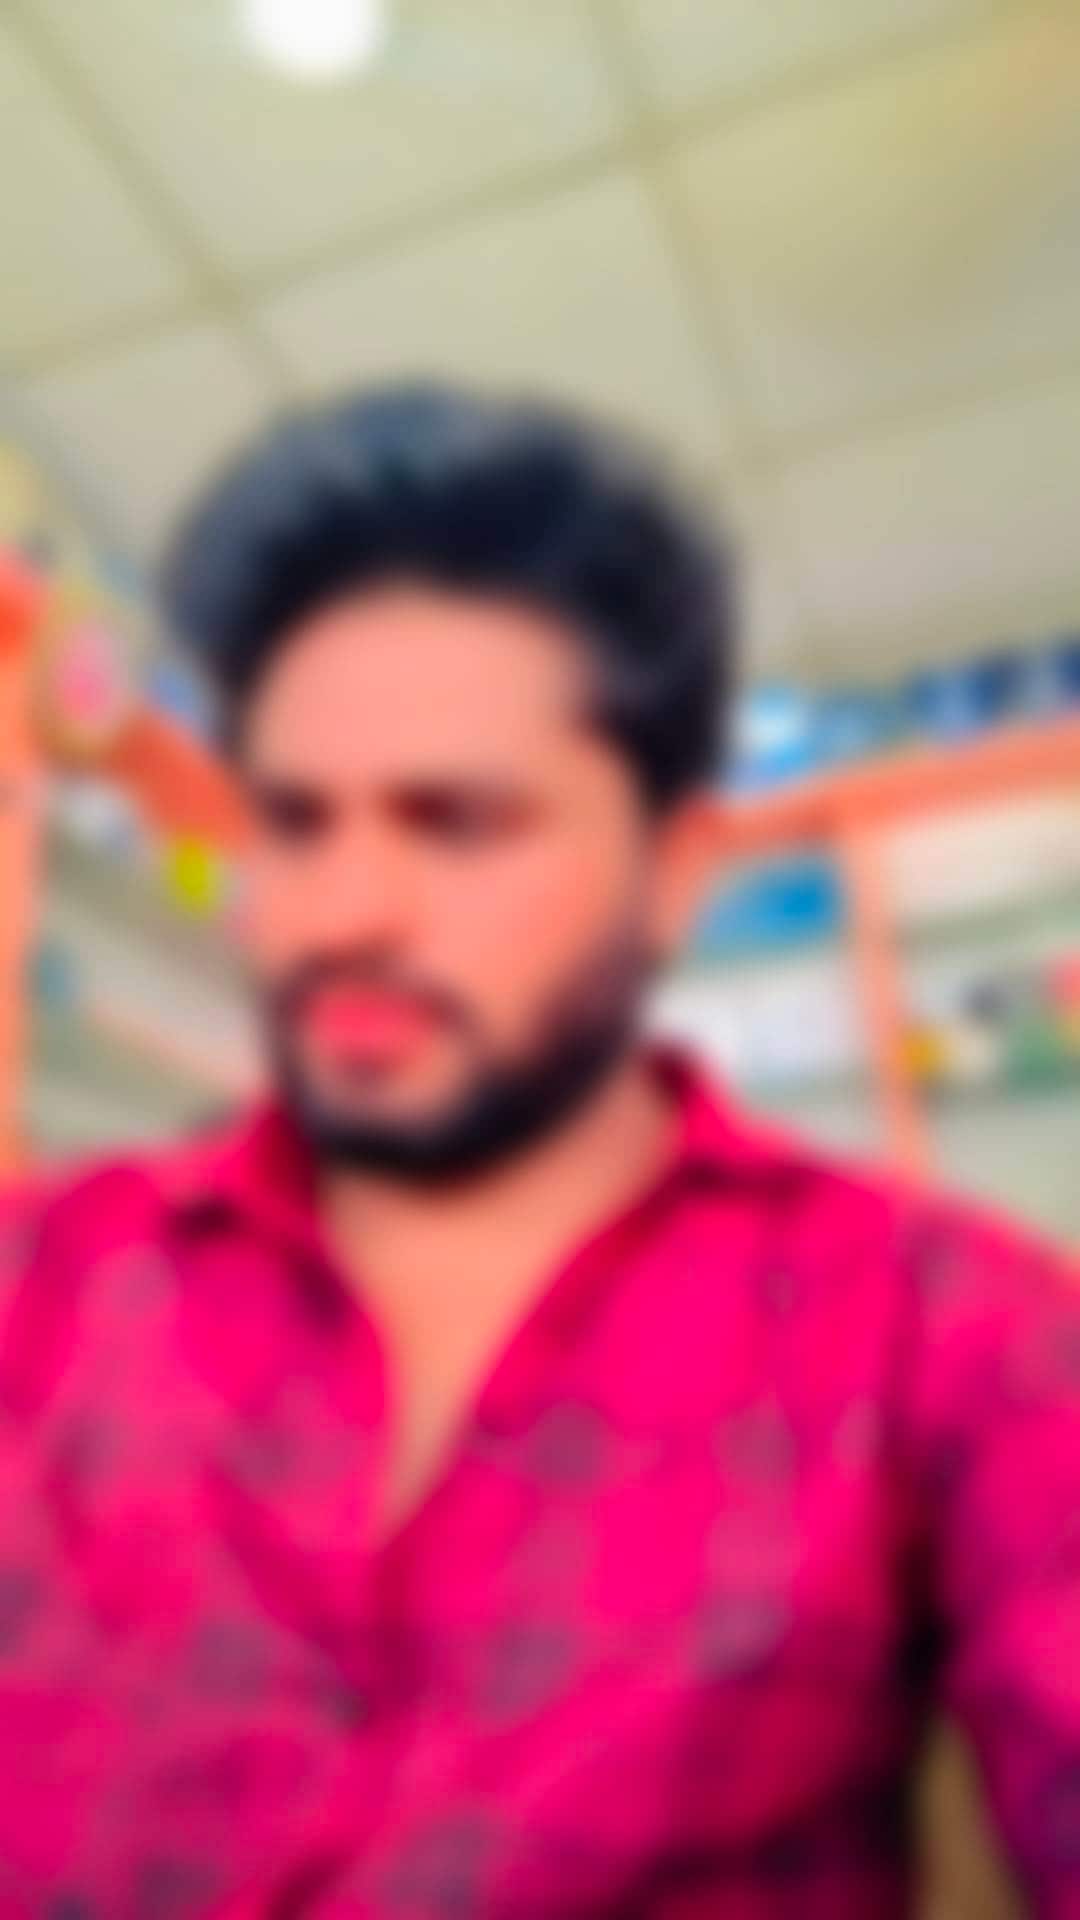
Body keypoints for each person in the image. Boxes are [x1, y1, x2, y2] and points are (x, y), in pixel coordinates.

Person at [0, 384, 1077, 1920]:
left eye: (458, 822)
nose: (343, 912)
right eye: (293, 824)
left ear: (673, 871)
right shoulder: (41, 1275)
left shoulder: (947, 1328)